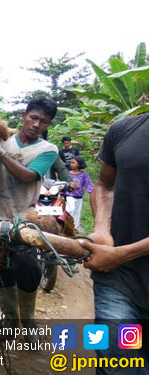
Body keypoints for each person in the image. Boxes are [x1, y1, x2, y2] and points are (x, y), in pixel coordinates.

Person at [0, 97, 59, 339]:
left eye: (43, 121)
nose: (36, 124)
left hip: (24, 216)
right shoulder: (1, 137)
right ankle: (10, 320)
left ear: (47, 125)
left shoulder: (48, 150)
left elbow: (28, 176)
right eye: (33, 117)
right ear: (24, 115)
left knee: (28, 268)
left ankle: (29, 321)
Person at [79, 113, 149, 374]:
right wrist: (101, 229)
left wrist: (120, 254)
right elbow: (105, 184)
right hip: (119, 281)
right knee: (118, 362)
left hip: (117, 261)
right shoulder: (123, 129)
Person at [64, 156, 93, 233]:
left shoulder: (84, 175)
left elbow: (88, 184)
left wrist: (92, 192)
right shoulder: (67, 174)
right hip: (69, 195)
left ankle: (75, 228)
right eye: (71, 162)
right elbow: (64, 183)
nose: (71, 164)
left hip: (79, 197)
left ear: (79, 164)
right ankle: (68, 226)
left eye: (73, 163)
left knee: (77, 212)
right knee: (71, 209)